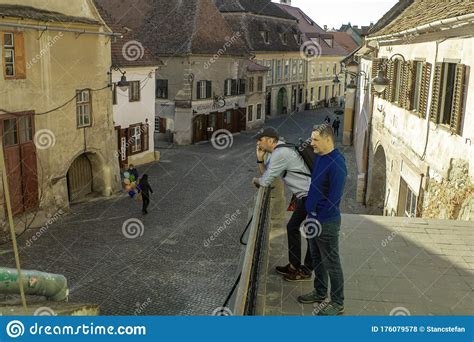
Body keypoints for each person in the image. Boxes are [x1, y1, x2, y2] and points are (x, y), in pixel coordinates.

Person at [297, 124, 347, 316]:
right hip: (313, 220)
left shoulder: (337, 164)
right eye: (312, 139)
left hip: (326, 222)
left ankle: (337, 303)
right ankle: (319, 292)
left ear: (328, 140)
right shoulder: (319, 157)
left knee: (331, 262)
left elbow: (334, 198)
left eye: (316, 139)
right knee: (317, 259)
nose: (312, 143)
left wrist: (318, 218)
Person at [252, 127, 313, 282]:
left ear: (271, 141)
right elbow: (267, 174)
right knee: (293, 227)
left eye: (261, 139)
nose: (258, 142)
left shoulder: (280, 154)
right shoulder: (278, 151)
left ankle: (304, 271)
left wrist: (256, 181)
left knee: (312, 233)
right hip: (305, 195)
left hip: (312, 195)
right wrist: (260, 159)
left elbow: (265, 180)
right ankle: (294, 265)